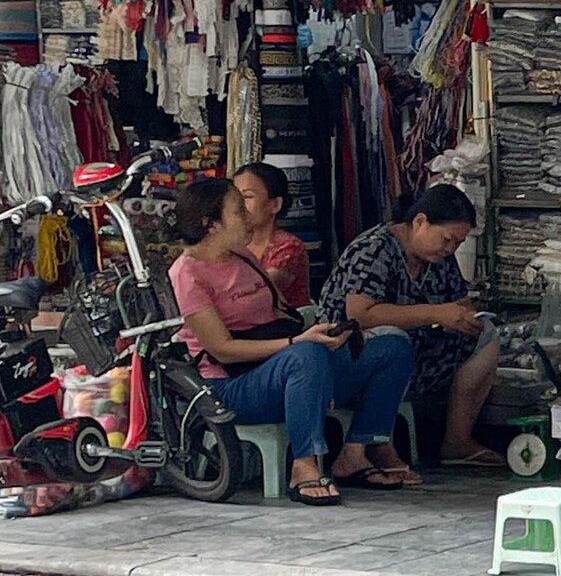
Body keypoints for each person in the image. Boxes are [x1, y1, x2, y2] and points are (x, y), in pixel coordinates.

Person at [168, 177, 419, 506]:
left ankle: (357, 450)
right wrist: (297, 342)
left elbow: (280, 316)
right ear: (211, 223)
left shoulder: (242, 256)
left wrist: (326, 331)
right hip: (230, 385)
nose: (247, 216)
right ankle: (304, 464)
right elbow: (222, 350)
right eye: (237, 210)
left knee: (393, 347)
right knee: (306, 356)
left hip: (285, 367)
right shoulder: (187, 273)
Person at [318, 184, 502, 469]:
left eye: (457, 243)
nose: (450, 248)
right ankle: (371, 444)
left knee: (487, 335)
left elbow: (459, 301)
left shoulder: (440, 260)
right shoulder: (374, 249)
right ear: (420, 222)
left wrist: (464, 317)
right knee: (393, 340)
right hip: (352, 355)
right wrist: (434, 313)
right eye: (447, 239)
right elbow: (361, 315)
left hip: (418, 352)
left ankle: (457, 441)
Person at [234, 161, 311, 308]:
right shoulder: (234, 245)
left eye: (247, 197)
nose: (238, 206)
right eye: (234, 199)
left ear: (275, 204)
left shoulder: (289, 247)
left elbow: (257, 294)